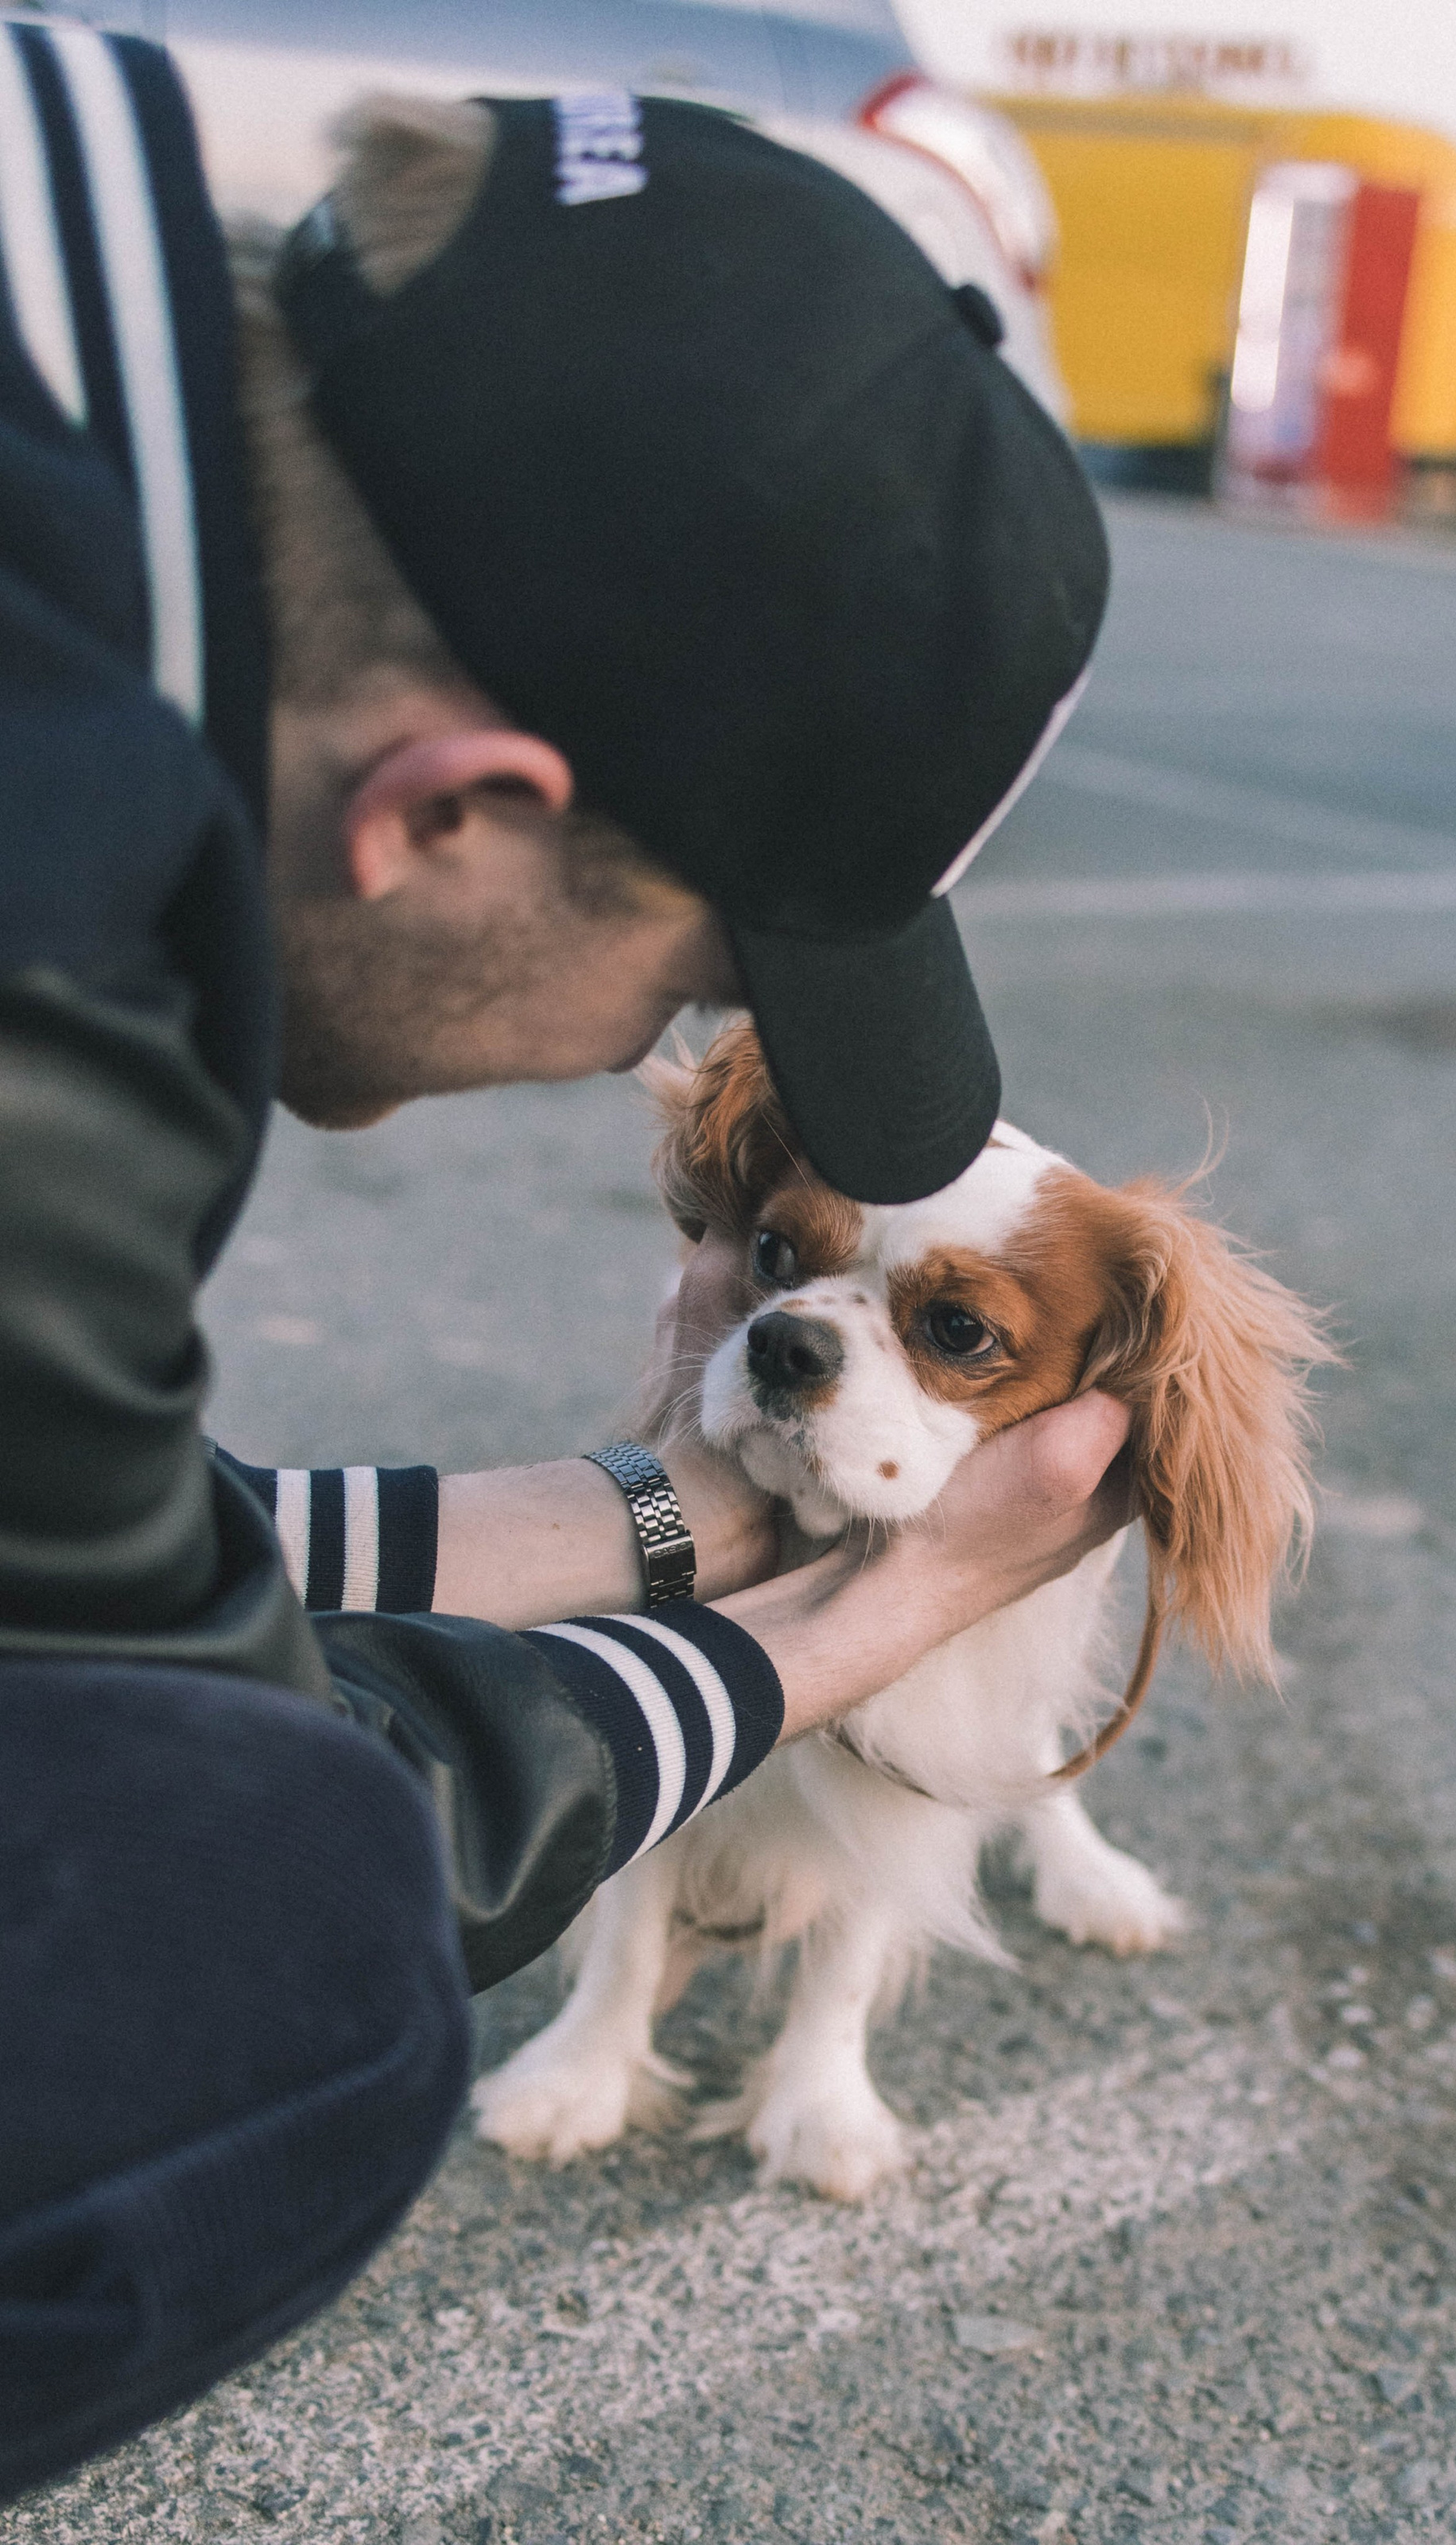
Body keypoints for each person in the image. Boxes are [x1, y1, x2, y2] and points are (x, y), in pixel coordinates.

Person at [0, 31, 1122, 2503]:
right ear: (460, 814)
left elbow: (69, 1567)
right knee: (285, 1965)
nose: (676, 1060)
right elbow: (197, 1791)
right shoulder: (51, 956)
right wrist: (837, 1640)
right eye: (700, 986)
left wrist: (668, 1512)